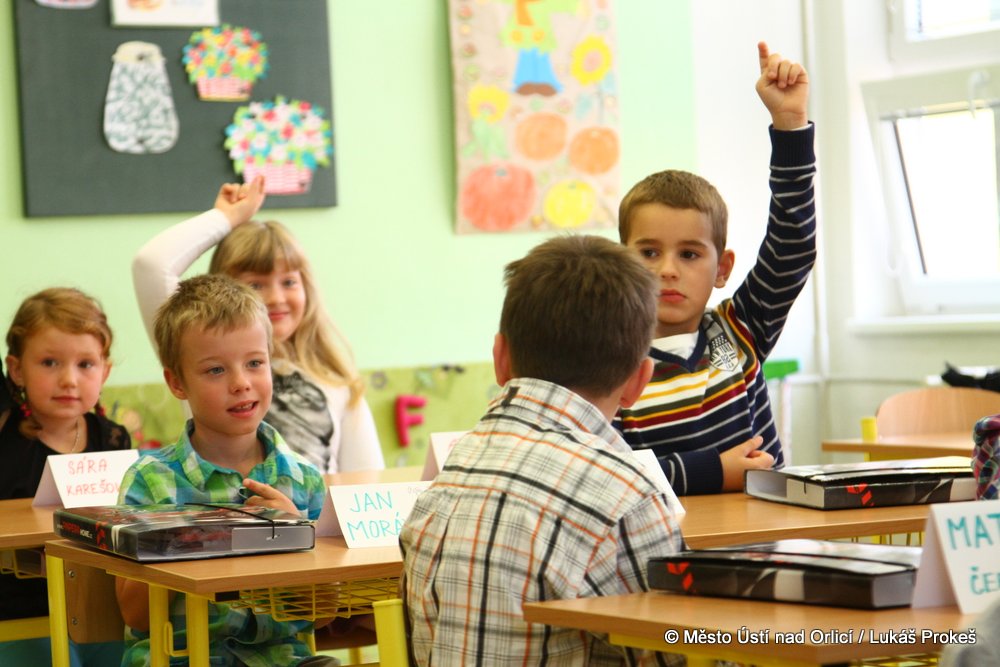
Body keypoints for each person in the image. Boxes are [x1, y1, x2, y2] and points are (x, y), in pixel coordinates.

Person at [400, 235, 685, 665]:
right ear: (638, 381)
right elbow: (684, 653)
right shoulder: (626, 496)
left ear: (500, 358)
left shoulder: (457, 468)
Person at [614, 41, 816, 495]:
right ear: (621, 263)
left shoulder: (739, 330)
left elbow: (793, 245)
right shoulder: (610, 367)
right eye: (649, 253)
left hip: (766, 531)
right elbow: (611, 479)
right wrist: (714, 471)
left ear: (722, 268)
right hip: (673, 540)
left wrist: (790, 126)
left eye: (689, 254)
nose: (667, 270)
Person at [114, 274, 331, 667]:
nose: (241, 383)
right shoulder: (150, 480)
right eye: (215, 370)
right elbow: (135, 616)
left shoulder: (303, 478)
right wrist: (183, 540)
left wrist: (297, 535)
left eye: (255, 363)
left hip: (280, 659)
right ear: (177, 382)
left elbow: (323, 613)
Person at [132, 177, 383, 474]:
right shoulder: (196, 349)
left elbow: (367, 482)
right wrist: (226, 217)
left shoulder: (338, 382)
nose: (276, 298)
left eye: (289, 281)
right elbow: (151, 265)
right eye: (255, 285)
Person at [1, 287, 130, 666]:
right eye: (49, 363)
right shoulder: (6, 442)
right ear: (16, 369)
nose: (69, 379)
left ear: (105, 371)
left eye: (85, 364)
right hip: (20, 615)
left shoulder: (114, 439)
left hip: (101, 612)